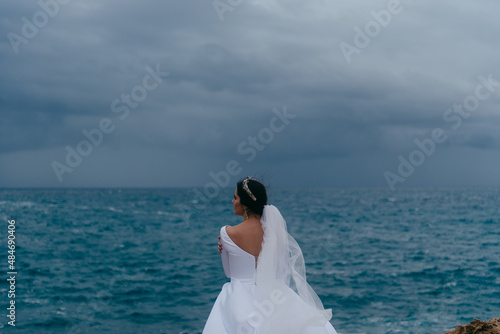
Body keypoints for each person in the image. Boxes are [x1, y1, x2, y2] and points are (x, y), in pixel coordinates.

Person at [203, 177, 338, 334]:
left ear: (245, 204)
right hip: (274, 294)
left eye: (235, 197)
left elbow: (229, 273)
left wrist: (225, 248)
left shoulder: (227, 232)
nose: (232, 201)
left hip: (238, 295)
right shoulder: (275, 232)